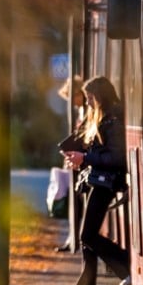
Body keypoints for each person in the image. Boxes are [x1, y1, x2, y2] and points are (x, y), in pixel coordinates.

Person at [58, 76, 131, 285]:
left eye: (90, 98)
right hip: (98, 180)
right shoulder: (102, 117)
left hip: (106, 181)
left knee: (87, 236)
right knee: (88, 242)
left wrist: (85, 158)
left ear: (100, 96)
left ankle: (125, 267)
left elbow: (116, 157)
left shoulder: (113, 119)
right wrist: (76, 152)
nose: (87, 103)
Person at [55, 75, 85, 252]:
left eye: (72, 98)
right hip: (76, 160)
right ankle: (73, 236)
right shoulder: (82, 111)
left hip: (81, 161)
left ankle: (75, 237)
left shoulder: (86, 110)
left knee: (78, 203)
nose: (73, 103)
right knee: (75, 202)